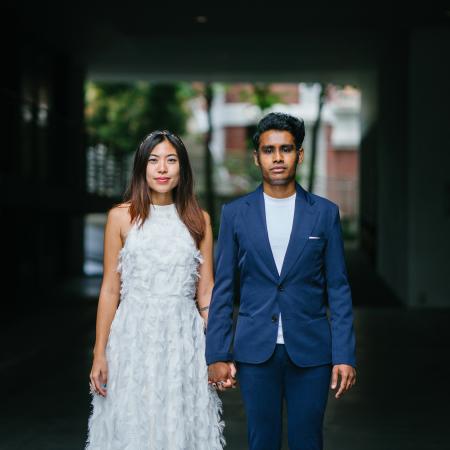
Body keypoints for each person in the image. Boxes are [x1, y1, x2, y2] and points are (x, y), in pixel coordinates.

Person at [206, 112, 357, 450]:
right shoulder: (235, 214)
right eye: (268, 150)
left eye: (286, 149)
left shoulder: (324, 212)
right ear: (256, 157)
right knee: (262, 441)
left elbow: (338, 288)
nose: (277, 158)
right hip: (255, 350)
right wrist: (216, 352)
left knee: (308, 440)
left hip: (312, 350)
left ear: (299, 155)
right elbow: (225, 287)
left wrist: (344, 353)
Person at [86, 130, 228, 449]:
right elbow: (110, 289)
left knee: (181, 423)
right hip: (132, 339)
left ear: (182, 169)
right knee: (132, 423)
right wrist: (99, 353)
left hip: (184, 340)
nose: (162, 168)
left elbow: (206, 291)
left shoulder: (199, 220)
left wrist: (219, 349)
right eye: (153, 161)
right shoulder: (120, 217)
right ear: (142, 168)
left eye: (171, 160)